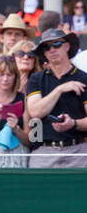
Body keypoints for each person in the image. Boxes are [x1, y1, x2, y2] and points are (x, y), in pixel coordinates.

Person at [25, 28, 87, 167]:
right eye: (46, 47)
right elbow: (35, 112)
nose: (52, 50)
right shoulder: (36, 79)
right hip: (44, 151)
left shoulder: (84, 78)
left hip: (78, 150)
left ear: (67, 46)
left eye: (56, 44)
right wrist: (60, 89)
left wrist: (73, 123)